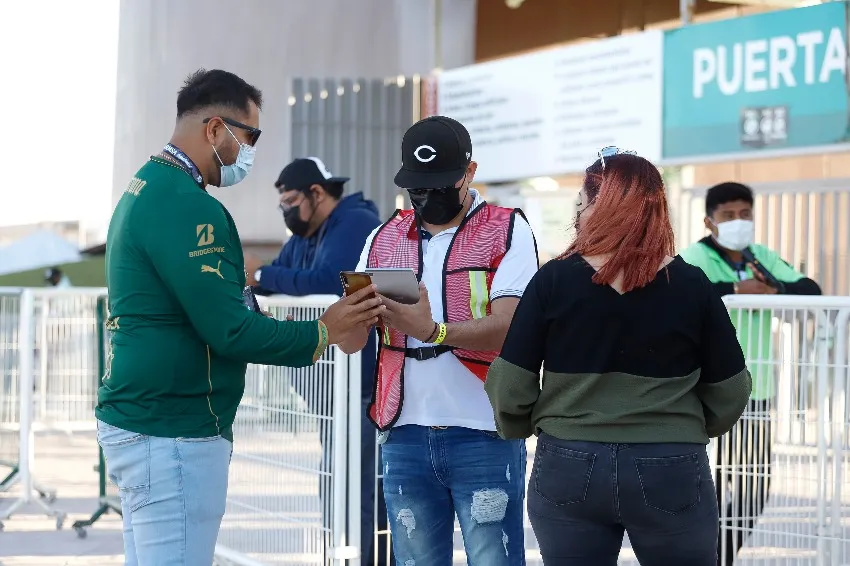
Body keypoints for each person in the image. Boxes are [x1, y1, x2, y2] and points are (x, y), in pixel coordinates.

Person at [95, 69, 384, 566]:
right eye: (248, 136)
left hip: (146, 421)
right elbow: (231, 328)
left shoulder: (144, 187)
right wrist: (323, 330)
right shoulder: (189, 207)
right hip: (174, 431)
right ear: (214, 129)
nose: (247, 151)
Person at [485, 148, 753, 566]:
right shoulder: (691, 283)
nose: (580, 210)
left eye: (584, 201)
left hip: (568, 460)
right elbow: (732, 387)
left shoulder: (553, 279)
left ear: (600, 205)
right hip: (671, 462)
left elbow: (509, 381)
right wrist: (686, 426)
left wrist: (527, 424)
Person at [340, 115, 539, 566]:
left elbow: (512, 324)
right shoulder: (381, 236)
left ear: (469, 173)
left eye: (438, 185)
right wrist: (355, 315)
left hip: (485, 429)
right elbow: (352, 343)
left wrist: (434, 332)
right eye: (417, 187)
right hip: (403, 431)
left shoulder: (508, 229)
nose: (426, 197)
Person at [244, 156, 386, 564]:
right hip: (331, 397)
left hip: (359, 390)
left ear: (317, 193)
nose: (286, 210)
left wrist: (262, 276)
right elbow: (282, 272)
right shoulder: (306, 234)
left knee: (360, 491)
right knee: (335, 486)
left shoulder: (354, 222)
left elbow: (327, 281)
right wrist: (266, 276)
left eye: (290, 200)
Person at [679, 181, 821, 566]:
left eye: (745, 214)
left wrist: (771, 290)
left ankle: (719, 556)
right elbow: (683, 295)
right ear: (710, 220)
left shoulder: (761, 256)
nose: (739, 221)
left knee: (753, 488)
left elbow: (809, 289)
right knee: (704, 484)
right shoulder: (693, 257)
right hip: (702, 389)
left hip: (756, 389)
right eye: (728, 215)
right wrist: (737, 288)